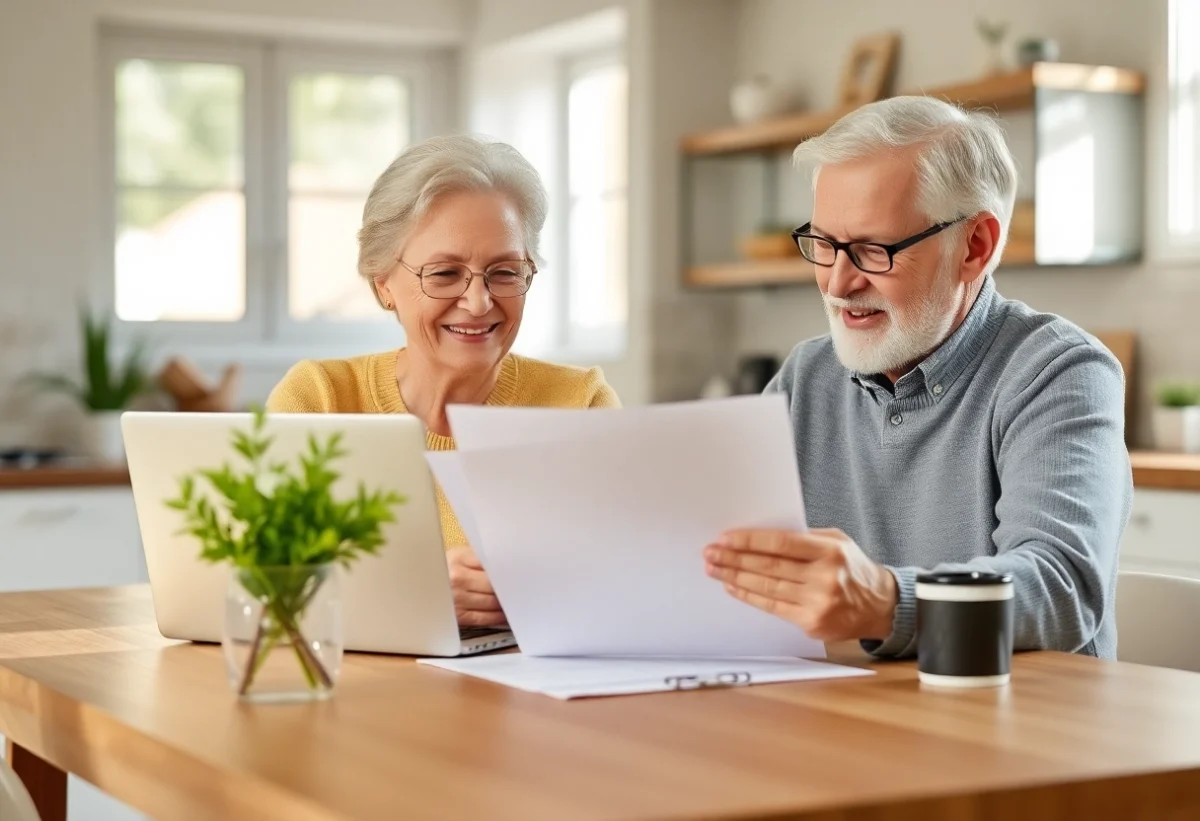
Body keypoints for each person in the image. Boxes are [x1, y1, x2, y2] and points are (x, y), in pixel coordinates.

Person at [703, 96, 1131, 659]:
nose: (836, 283)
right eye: (824, 245)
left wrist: (884, 601)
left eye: (871, 250)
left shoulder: (1059, 372)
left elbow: (1060, 590)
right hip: (859, 721)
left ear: (975, 246)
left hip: (1026, 728)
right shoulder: (806, 377)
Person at [268, 135, 621, 627]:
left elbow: (626, 582)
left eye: (504, 272)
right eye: (445, 273)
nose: (478, 302)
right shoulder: (320, 400)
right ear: (382, 282)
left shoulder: (579, 404)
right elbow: (263, 583)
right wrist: (414, 588)